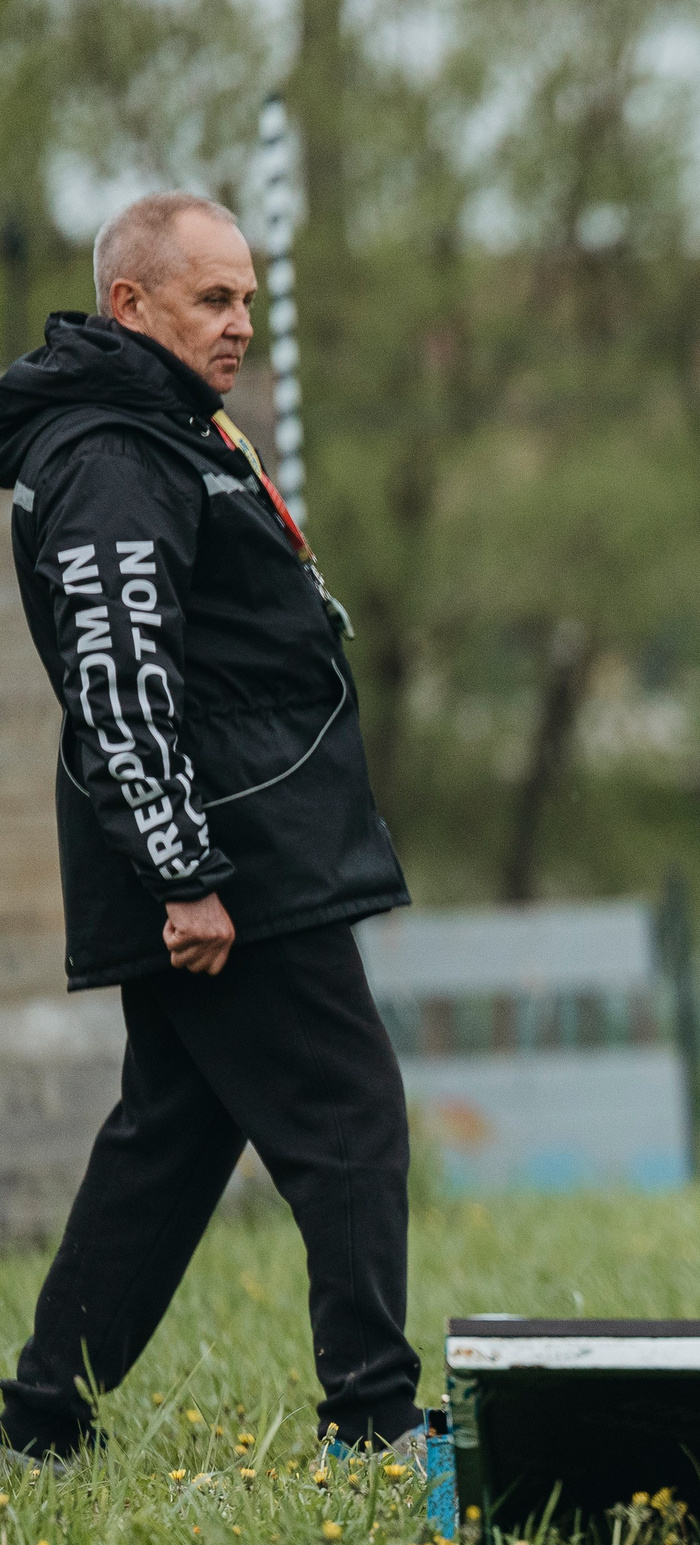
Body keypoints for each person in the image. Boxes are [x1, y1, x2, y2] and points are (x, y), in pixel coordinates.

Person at [0, 192, 420, 1461]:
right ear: (131, 304)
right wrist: (186, 873)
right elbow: (118, 678)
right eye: (212, 300)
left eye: (246, 297)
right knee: (349, 1116)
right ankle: (373, 1417)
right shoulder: (110, 456)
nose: (240, 324)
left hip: (240, 845)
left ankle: (39, 1418)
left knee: (171, 1139)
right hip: (225, 865)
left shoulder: (163, 425)